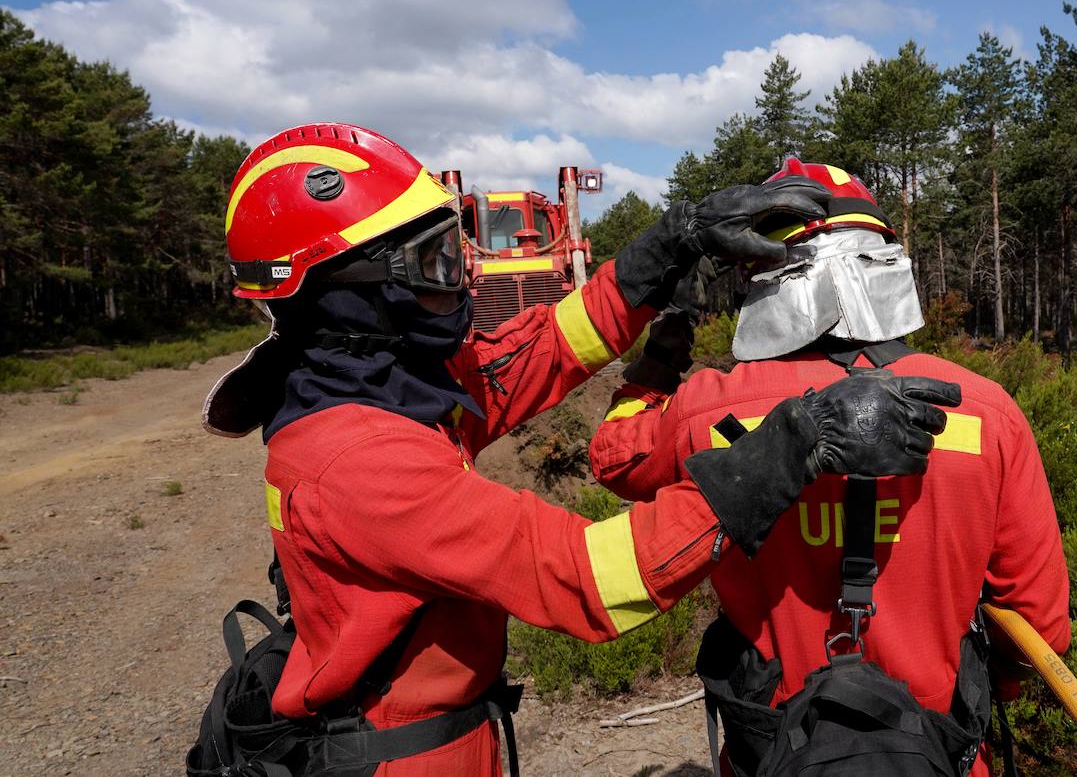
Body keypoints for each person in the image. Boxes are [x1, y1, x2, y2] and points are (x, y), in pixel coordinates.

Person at [196, 125, 960, 776]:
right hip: (400, 755)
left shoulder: (380, 388)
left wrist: (674, 241)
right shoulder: (357, 459)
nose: (460, 284)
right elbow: (584, 576)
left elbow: (549, 347)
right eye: (434, 267)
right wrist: (795, 442)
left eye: (455, 254)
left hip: (434, 736)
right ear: (348, 292)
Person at [589, 157, 1071, 777]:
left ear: (762, 271)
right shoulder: (985, 413)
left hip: (770, 755)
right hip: (941, 754)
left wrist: (655, 367)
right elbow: (1038, 621)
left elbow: (615, 456)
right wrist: (982, 694)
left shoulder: (706, 406)